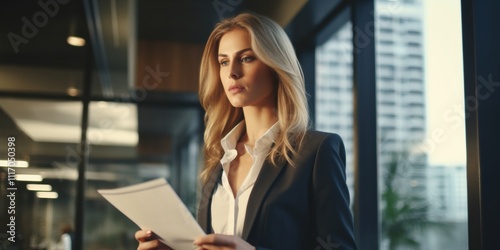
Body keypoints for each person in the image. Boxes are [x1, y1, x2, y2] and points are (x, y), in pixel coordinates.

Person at [135, 12, 357, 250]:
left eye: (247, 58)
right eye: (223, 62)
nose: (232, 72)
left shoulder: (317, 151)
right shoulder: (218, 157)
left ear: (275, 64)